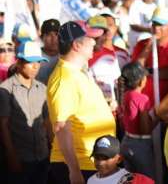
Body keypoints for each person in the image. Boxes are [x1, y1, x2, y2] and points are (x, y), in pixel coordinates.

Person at [47, 21, 116, 184]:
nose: (95, 42)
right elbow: (61, 127)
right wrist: (74, 171)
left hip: (90, 163)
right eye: (90, 38)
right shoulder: (64, 77)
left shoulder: (75, 72)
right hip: (80, 165)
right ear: (76, 45)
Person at [0, 41, 52, 184]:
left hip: (43, 156)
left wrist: (53, 148)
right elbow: (3, 126)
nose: (36, 66)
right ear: (19, 62)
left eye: (39, 62)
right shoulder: (5, 90)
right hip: (20, 158)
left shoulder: (42, 88)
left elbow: (47, 122)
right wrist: (11, 155)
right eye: (31, 62)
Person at [132, 6, 168, 104]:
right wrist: (149, 46)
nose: (156, 28)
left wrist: (146, 71)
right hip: (141, 102)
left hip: (163, 103)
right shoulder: (142, 44)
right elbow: (135, 71)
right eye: (154, 24)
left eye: (161, 25)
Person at [118, 62, 156, 179]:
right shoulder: (142, 98)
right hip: (140, 145)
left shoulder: (125, 94)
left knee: (131, 179)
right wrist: (157, 118)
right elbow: (145, 129)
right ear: (141, 81)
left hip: (126, 141)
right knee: (146, 178)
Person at [37, 18, 60, 84]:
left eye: (56, 34)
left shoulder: (66, 56)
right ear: (41, 38)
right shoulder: (34, 56)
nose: (53, 39)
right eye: (49, 34)